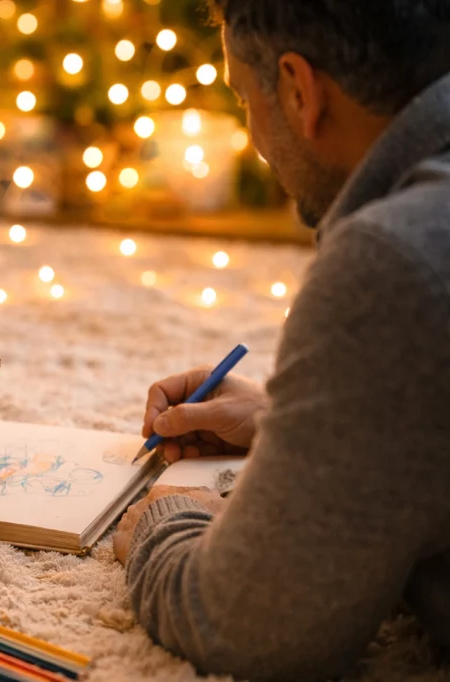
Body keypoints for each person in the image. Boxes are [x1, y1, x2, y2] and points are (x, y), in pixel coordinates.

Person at [112, 1, 450, 680]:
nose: (253, 131)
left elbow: (246, 623)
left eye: (243, 95)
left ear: (300, 90)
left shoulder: (394, 258)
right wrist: (291, 425)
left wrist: (170, 513)